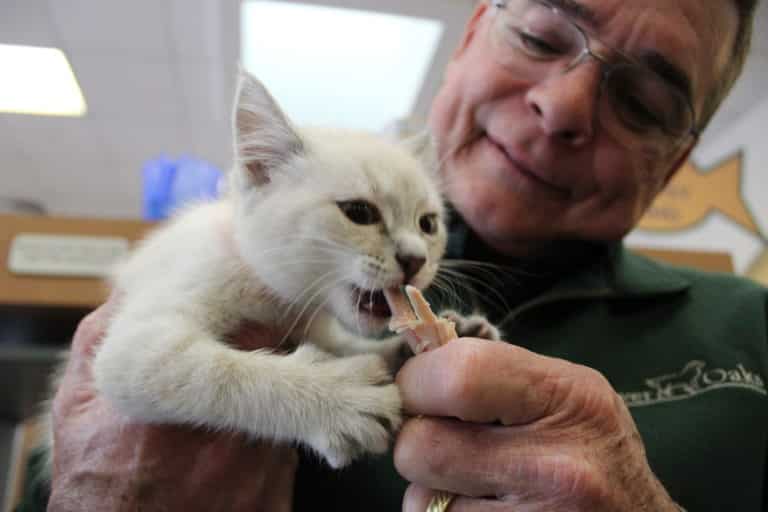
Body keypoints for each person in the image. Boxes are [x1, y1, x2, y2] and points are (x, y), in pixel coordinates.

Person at [17, 0, 765, 510]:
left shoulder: (749, 331)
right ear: (472, 35)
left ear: (675, 163)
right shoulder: (265, 262)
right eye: (541, 35)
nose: (563, 107)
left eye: (644, 102)